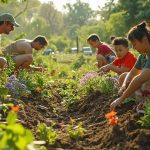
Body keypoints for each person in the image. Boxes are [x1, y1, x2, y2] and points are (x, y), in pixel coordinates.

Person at [110, 21, 150, 111]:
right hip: (144, 87)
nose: (134, 47)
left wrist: (121, 98)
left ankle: (145, 104)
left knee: (146, 83)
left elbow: (139, 79)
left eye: (135, 44)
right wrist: (124, 85)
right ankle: (140, 101)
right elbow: (132, 73)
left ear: (144, 40)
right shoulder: (143, 56)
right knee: (123, 77)